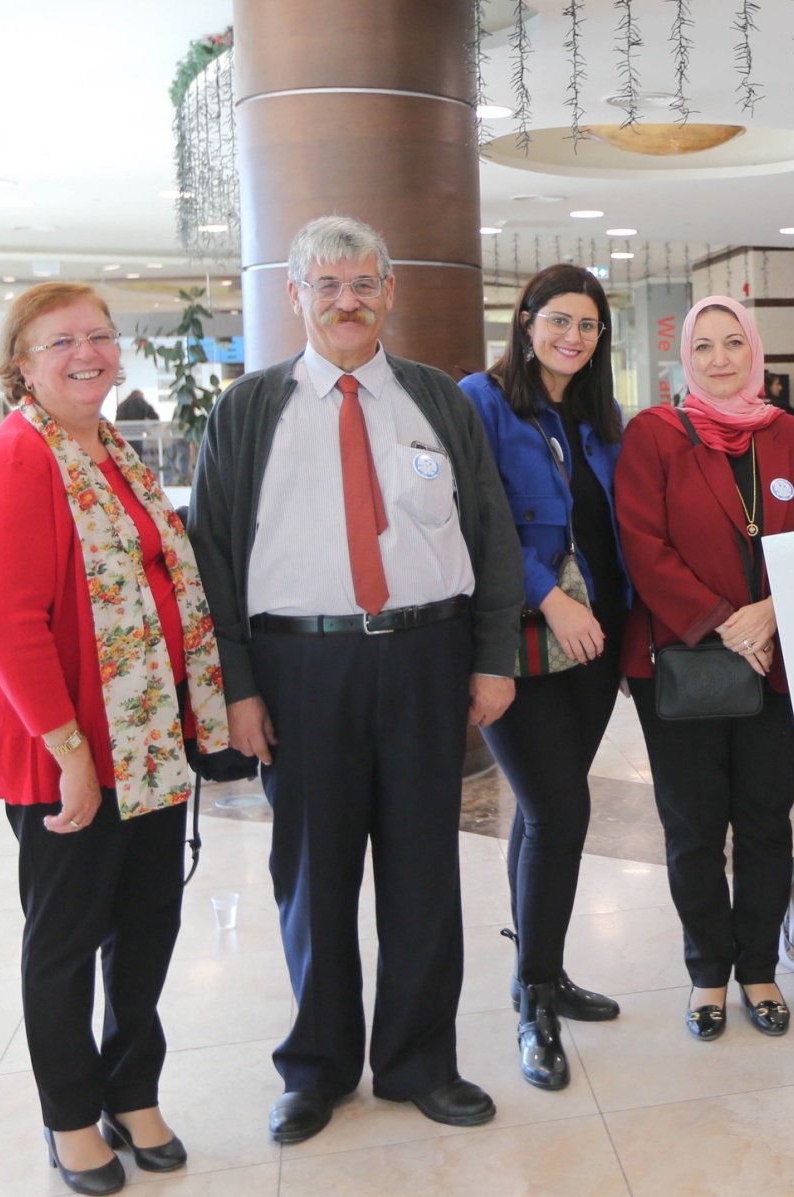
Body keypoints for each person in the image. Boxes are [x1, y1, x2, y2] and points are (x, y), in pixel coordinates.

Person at [189, 216, 524, 1143]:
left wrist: (493, 655)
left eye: (364, 283)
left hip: (426, 656)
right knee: (313, 876)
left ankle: (419, 1059)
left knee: (424, 873)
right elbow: (212, 561)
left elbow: (490, 529)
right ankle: (317, 1068)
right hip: (299, 666)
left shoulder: (436, 400)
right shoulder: (247, 409)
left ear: (389, 292)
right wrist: (238, 686)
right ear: (296, 293)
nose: (347, 301)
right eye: (328, 285)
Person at [0, 282, 231, 1195]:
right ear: (22, 363)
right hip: (65, 751)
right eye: (62, 340)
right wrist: (70, 754)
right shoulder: (16, 458)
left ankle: (132, 1089)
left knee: (148, 923)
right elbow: (8, 626)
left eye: (101, 336)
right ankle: (72, 1114)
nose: (88, 353)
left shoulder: (112, 449)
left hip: (145, 740)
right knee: (67, 939)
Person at [615, 296, 794, 1041]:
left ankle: (759, 968)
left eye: (734, 342)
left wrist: (771, 612)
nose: (720, 358)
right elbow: (643, 545)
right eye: (703, 345)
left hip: (777, 660)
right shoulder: (655, 434)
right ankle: (708, 970)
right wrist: (726, 623)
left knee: (766, 822)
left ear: (755, 350)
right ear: (685, 359)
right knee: (694, 828)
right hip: (683, 661)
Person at [459, 264, 629, 1092]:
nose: (573, 336)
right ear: (526, 320)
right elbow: (476, 518)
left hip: (596, 644)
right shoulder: (482, 400)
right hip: (520, 640)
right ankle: (534, 1002)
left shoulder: (600, 418)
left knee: (542, 812)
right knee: (561, 812)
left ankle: (545, 969)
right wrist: (548, 596)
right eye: (559, 319)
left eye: (588, 325)